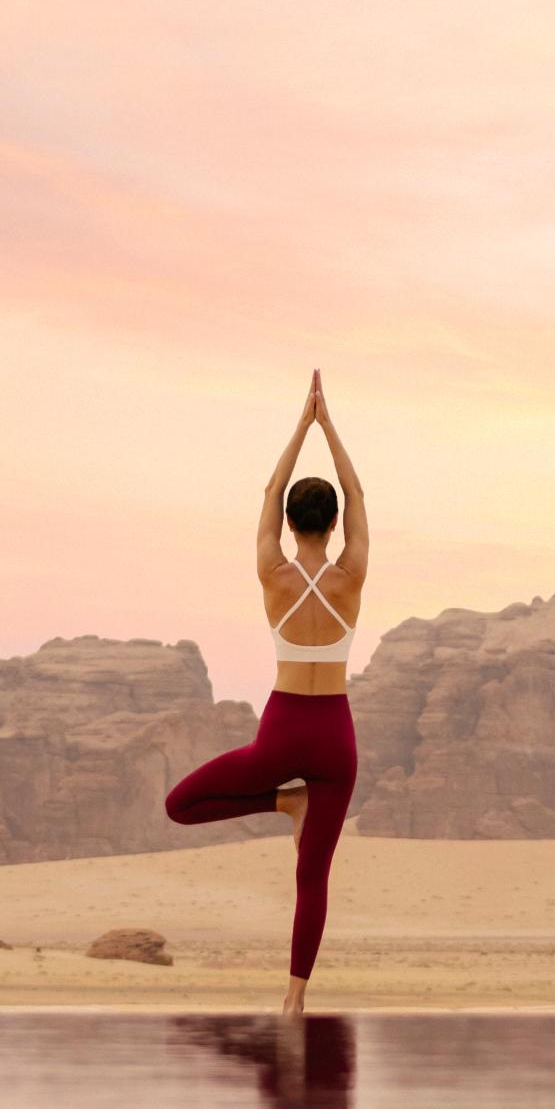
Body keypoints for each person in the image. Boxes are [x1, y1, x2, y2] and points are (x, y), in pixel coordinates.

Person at [164, 369, 367, 1016]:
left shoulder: (271, 572)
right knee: (313, 877)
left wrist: (300, 425)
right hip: (334, 733)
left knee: (180, 805)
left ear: (287, 521)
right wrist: (328, 426)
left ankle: (283, 802)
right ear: (334, 526)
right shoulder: (352, 575)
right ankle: (294, 999)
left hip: (282, 730)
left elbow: (271, 487)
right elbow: (358, 490)